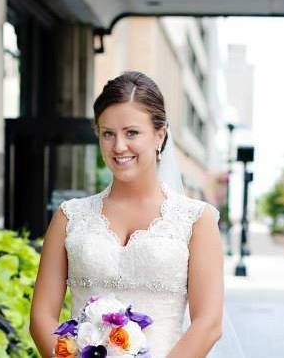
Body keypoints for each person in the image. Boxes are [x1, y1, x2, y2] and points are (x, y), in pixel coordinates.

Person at [30, 71, 224, 357]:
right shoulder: (69, 217)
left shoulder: (196, 220)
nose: (119, 146)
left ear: (160, 134)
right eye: (108, 133)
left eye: (131, 132)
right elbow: (41, 318)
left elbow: (208, 324)